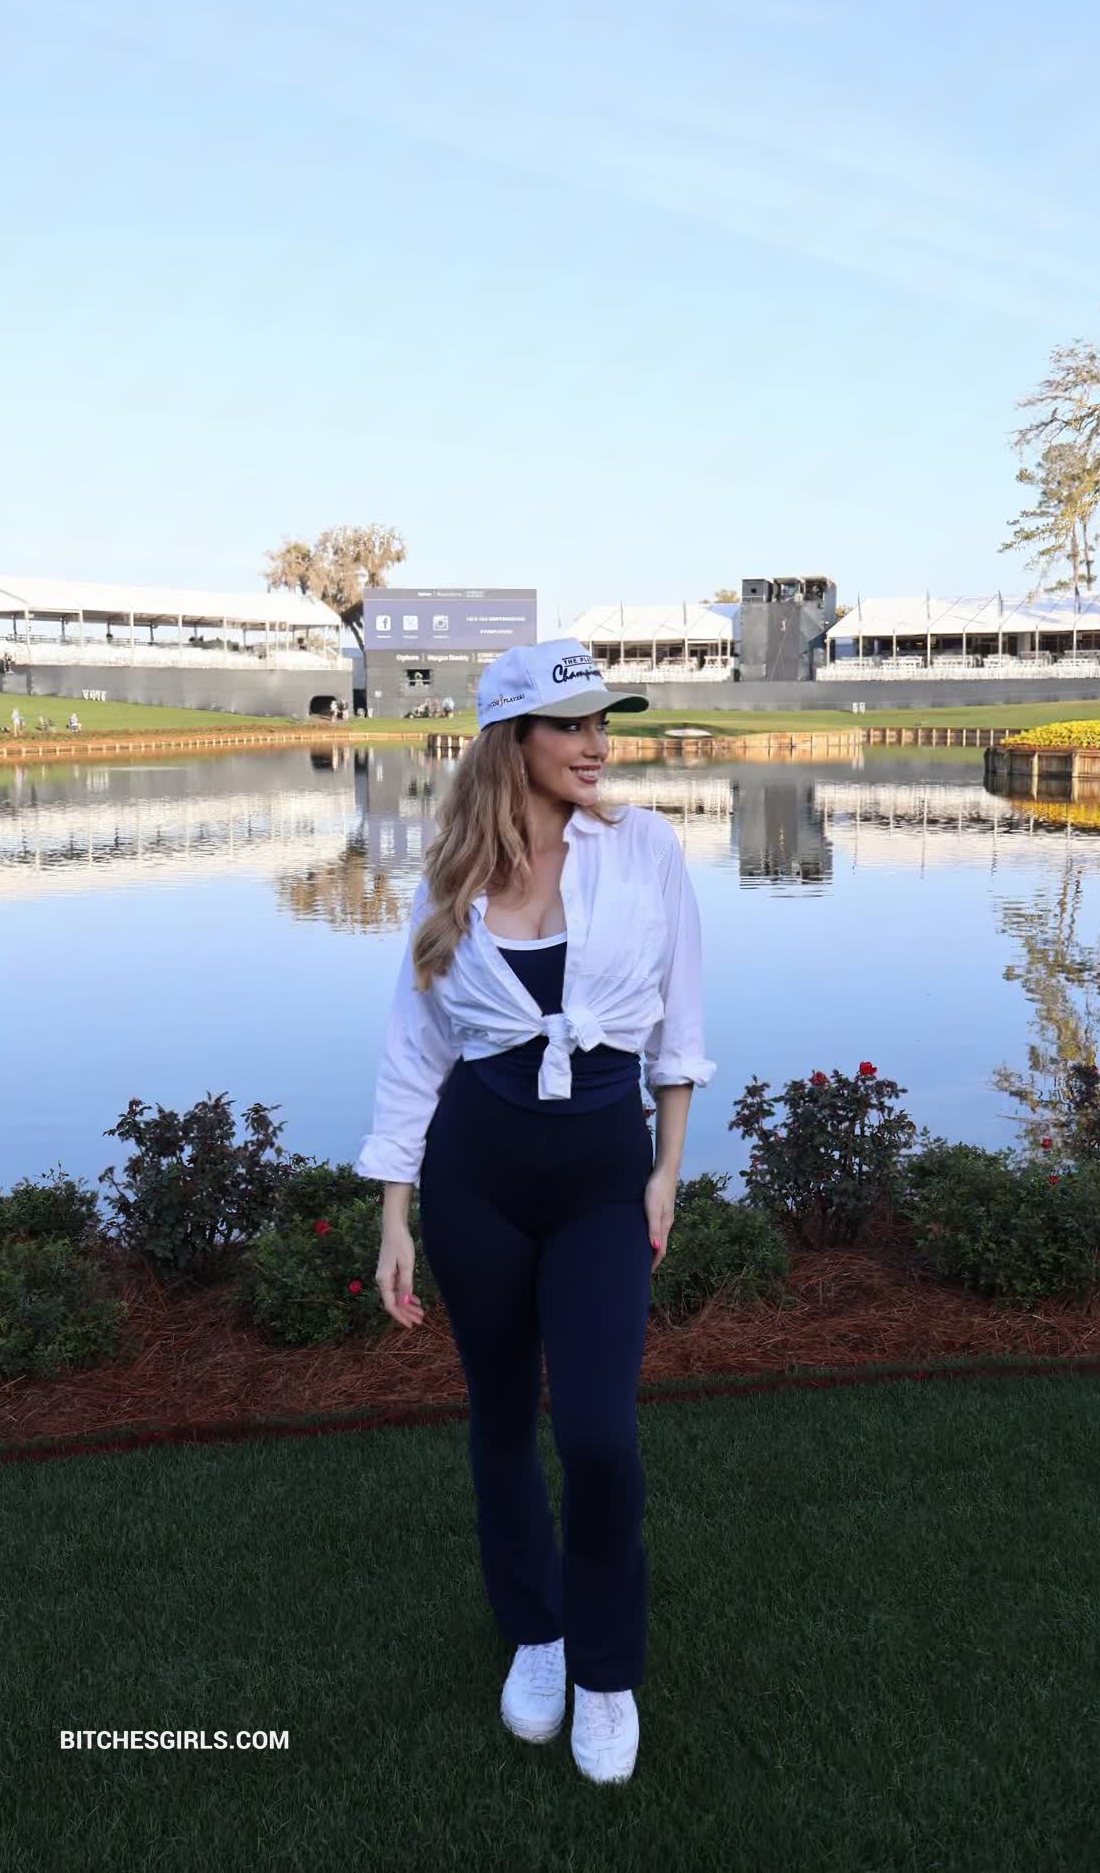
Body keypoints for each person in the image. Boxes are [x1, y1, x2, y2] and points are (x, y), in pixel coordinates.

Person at [357, 636, 714, 1787]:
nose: (596, 743)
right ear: (511, 739)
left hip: (603, 1178)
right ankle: (538, 1631)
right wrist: (395, 1213)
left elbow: (680, 1026)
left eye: (603, 721)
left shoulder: (646, 848)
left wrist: (665, 1171)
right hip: (476, 1179)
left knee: (600, 1433)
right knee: (503, 1416)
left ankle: (605, 1669)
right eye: (570, 724)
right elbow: (415, 1051)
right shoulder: (449, 873)